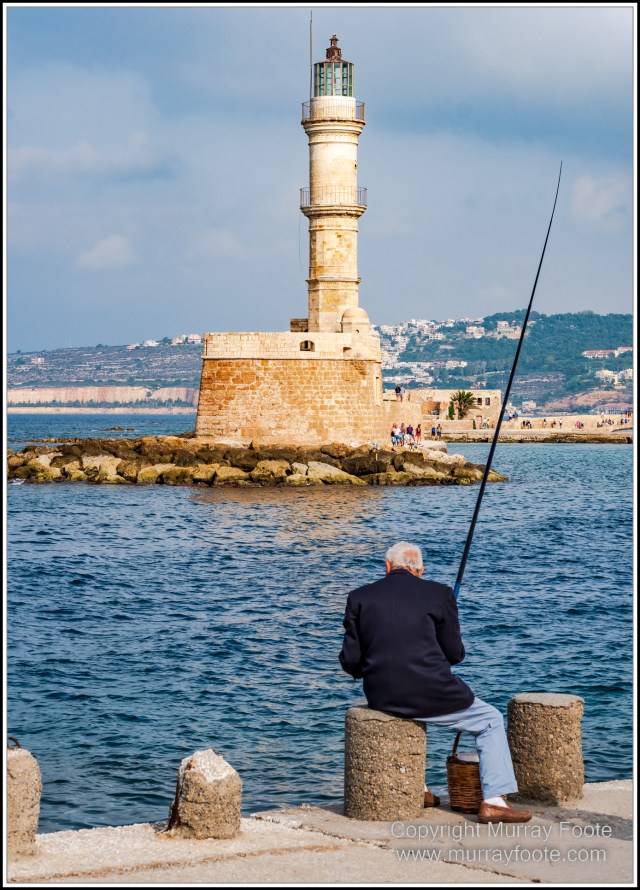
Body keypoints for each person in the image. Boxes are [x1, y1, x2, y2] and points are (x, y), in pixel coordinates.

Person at [339, 542, 532, 825]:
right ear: (420, 571)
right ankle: (493, 801)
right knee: (490, 719)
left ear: (388, 567)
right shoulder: (439, 594)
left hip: (381, 695)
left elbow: (351, 660)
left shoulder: (359, 597)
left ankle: (419, 788)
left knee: (408, 717)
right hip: (430, 692)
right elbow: (455, 654)